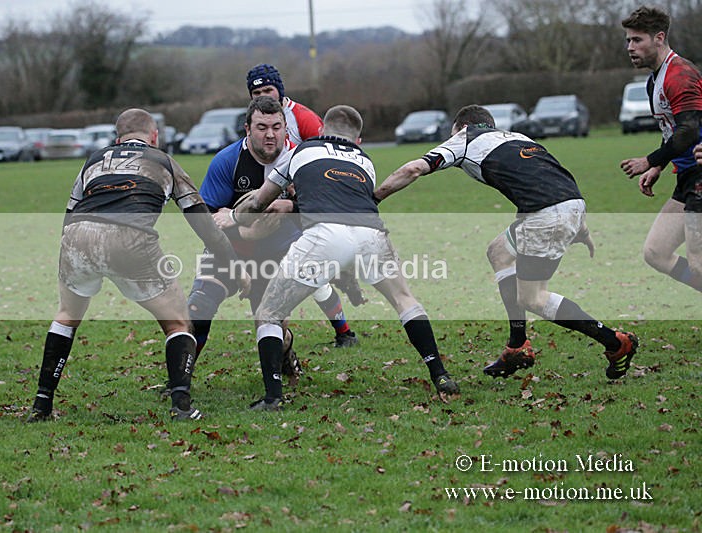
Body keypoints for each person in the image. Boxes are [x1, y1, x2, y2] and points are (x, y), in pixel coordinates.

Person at [374, 105, 638, 380]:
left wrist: (374, 199)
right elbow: (552, 176)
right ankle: (517, 345)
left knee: (533, 298)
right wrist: (579, 225)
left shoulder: (464, 138)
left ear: (461, 127)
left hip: (546, 215)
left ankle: (616, 343)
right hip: (564, 205)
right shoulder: (518, 137)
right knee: (499, 251)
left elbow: (414, 169)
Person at [229, 104, 460, 411]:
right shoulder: (366, 162)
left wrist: (234, 217)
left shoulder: (300, 151)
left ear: (322, 129)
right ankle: (440, 374)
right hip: (372, 234)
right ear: (359, 140)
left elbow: (261, 200)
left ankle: (273, 397)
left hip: (324, 234)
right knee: (405, 300)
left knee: (269, 313)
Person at [26, 108, 248, 423]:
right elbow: (201, 220)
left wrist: (69, 253)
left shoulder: (93, 160)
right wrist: (232, 263)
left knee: (67, 316)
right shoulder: (162, 160)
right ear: (154, 136)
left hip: (78, 236)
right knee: (179, 322)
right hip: (130, 239)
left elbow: (70, 213)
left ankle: (42, 404)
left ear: (118, 138)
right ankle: (181, 407)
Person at [186, 97, 358, 390]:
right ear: (247, 129)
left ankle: (286, 353)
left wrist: (288, 207)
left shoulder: (304, 161)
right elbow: (209, 220)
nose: (270, 134)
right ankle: (181, 380)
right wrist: (239, 239)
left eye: (277, 127)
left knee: (271, 327)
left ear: (285, 129)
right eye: (262, 127)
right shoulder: (227, 161)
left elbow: (325, 210)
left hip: (281, 253)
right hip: (229, 250)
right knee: (198, 309)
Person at [620, 6, 702, 294]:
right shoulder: (655, 79)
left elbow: (689, 130)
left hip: (700, 175)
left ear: (659, 37)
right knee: (656, 252)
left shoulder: (679, 74)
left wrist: (649, 160)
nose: (630, 47)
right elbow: (674, 133)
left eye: (637, 40)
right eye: (628, 40)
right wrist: (659, 166)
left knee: (699, 264)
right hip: (688, 178)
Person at [246, 63, 323, 145]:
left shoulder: (305, 118)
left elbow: (322, 151)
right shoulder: (252, 119)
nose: (263, 96)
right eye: (257, 93)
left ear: (279, 91)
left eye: (268, 90)